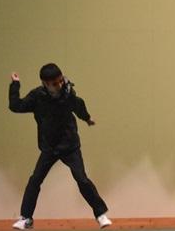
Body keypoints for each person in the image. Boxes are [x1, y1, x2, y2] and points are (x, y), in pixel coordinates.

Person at [8, 63, 111, 230]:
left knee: (81, 179)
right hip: (49, 147)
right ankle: (26, 218)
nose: (60, 85)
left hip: (70, 146)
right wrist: (15, 84)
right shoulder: (37, 97)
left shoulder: (68, 94)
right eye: (55, 83)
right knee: (35, 180)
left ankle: (100, 214)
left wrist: (87, 118)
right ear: (45, 84)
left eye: (61, 80)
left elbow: (79, 106)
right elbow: (16, 106)